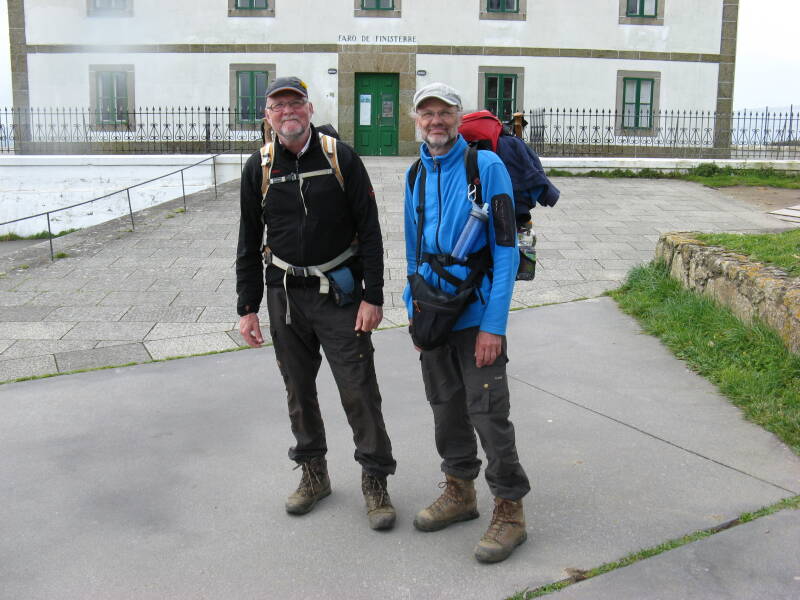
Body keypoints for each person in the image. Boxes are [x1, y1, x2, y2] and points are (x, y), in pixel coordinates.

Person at [237, 76, 397, 530]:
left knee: (358, 388)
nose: (287, 112)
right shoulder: (259, 167)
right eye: (278, 106)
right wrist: (247, 307)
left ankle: (375, 480)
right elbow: (248, 240)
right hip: (285, 295)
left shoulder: (339, 157)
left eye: (295, 104)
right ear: (268, 116)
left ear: (309, 109)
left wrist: (373, 296)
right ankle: (314, 474)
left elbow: (370, 230)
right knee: (298, 390)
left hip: (339, 295)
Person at [403, 82, 530, 562]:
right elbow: (413, 250)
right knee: (445, 408)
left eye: (445, 112)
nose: (436, 121)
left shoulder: (487, 166)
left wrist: (493, 326)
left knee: (488, 413)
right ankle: (460, 492)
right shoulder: (416, 173)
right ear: (416, 120)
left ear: (459, 118)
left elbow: (506, 250)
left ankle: (510, 511)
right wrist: (413, 311)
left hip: (476, 314)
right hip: (433, 315)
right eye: (427, 113)